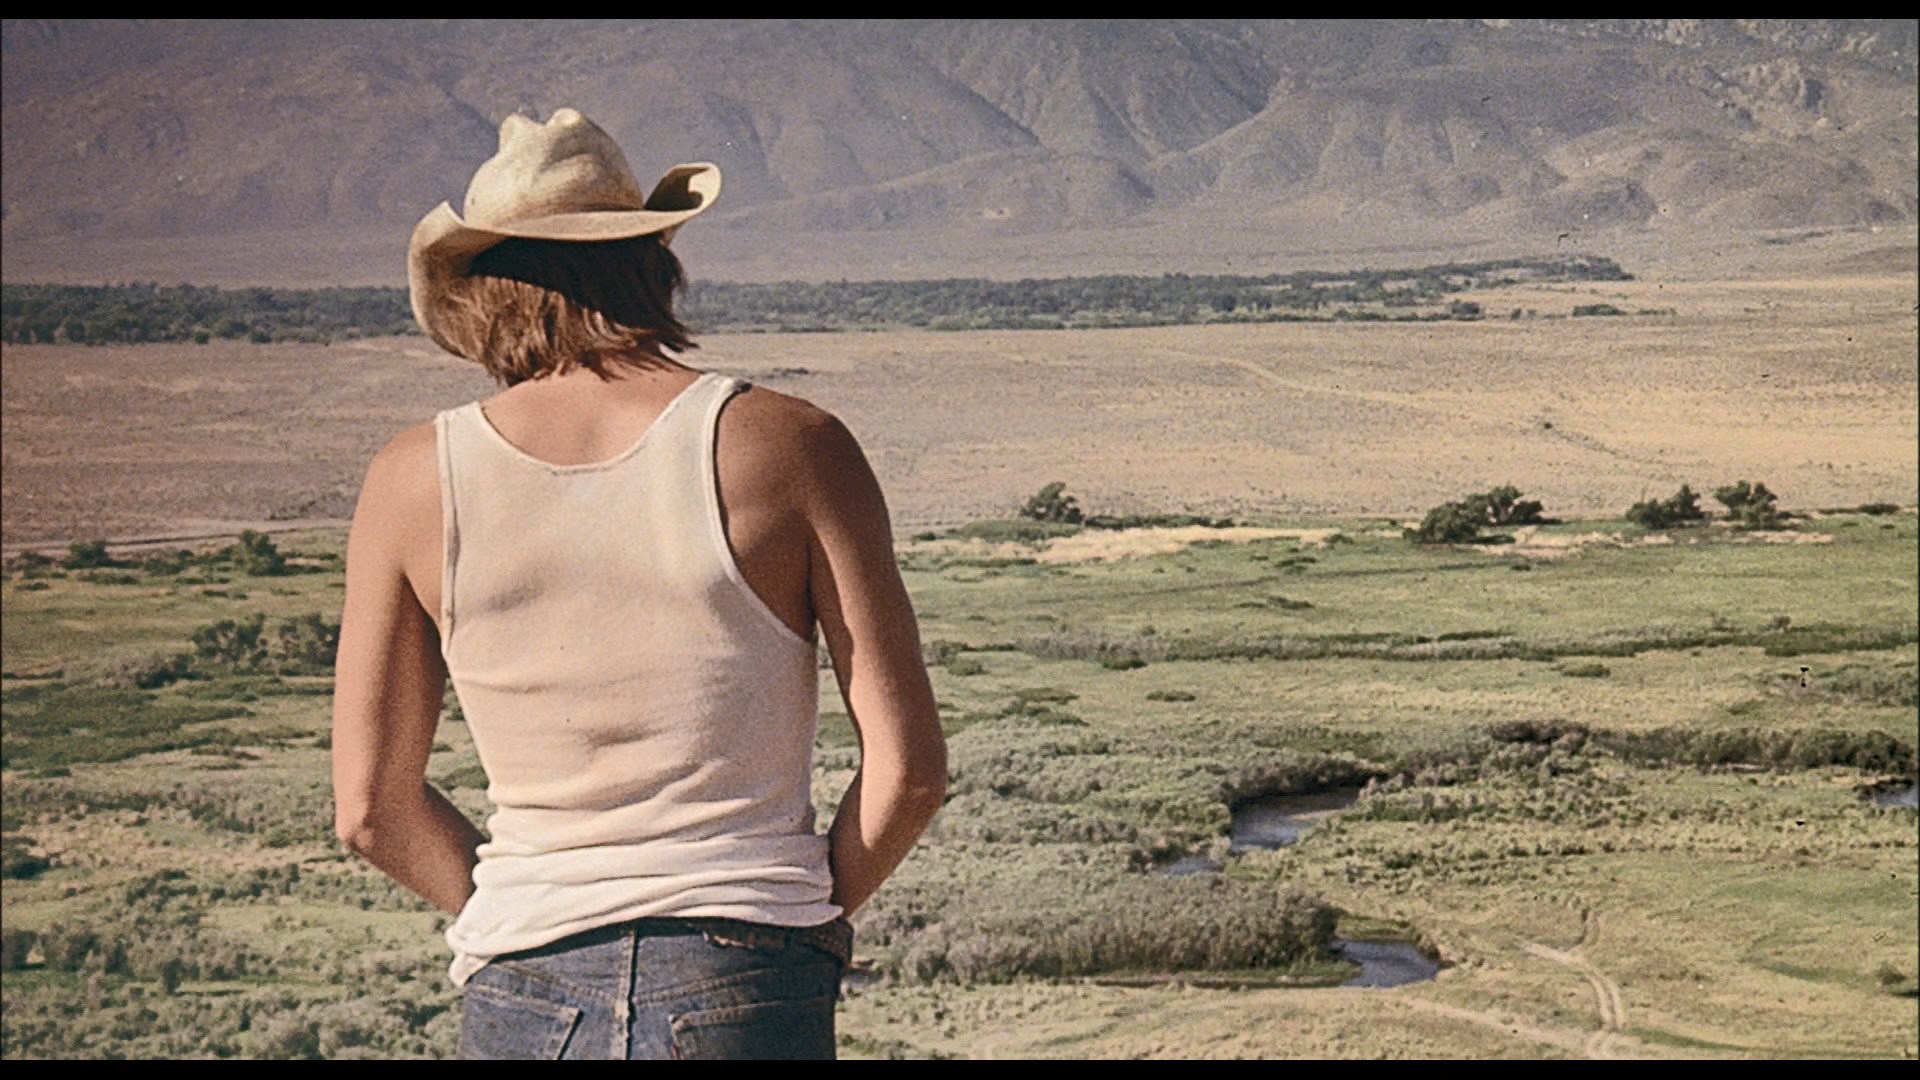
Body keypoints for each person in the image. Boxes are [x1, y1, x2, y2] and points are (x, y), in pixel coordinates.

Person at [329, 107, 947, 1060]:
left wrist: (528, 912)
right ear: (656, 261)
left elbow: (371, 811)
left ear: (481, 291)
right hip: (747, 977)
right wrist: (791, 922)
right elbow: (909, 773)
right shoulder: (791, 445)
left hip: (525, 988)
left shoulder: (411, 480)